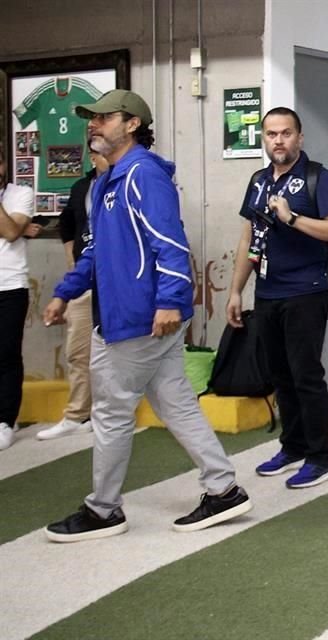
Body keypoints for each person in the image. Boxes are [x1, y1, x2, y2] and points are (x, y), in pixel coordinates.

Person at [42, 89, 251, 542]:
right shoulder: (103, 183)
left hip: (137, 320)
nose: (93, 125)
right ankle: (223, 488)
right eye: (90, 119)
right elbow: (94, 251)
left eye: (104, 118)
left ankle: (103, 510)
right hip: (127, 317)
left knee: (112, 413)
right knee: (176, 404)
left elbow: (170, 243)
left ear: (132, 124)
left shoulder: (143, 175)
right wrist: (65, 292)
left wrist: (171, 302)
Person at [227, 107, 328, 488]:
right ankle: (293, 445)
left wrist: (292, 218)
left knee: (306, 375)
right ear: (263, 138)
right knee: (280, 375)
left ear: (299, 137)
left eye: (285, 133)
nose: (277, 141)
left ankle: (321, 455)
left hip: (306, 291)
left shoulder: (318, 178)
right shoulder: (259, 180)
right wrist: (235, 290)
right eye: (270, 134)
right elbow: (250, 237)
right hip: (267, 292)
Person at [36, 148, 109, 440]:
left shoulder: (131, 182)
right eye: (99, 152)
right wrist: (72, 261)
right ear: (92, 157)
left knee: (115, 354)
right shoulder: (82, 188)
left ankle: (106, 413)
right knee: (78, 352)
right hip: (84, 280)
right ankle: (78, 415)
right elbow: (66, 224)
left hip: (115, 283)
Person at [0, 148, 36, 451]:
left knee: (7, 354)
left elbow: (11, 232)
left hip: (10, 286)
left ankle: (5, 420)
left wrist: (21, 227)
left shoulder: (21, 193)